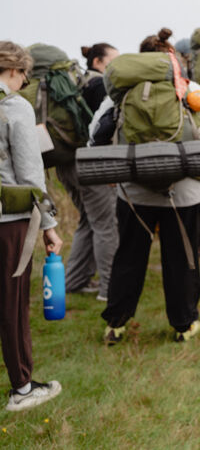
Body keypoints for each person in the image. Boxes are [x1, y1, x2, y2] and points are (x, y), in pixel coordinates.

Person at [98, 29, 200, 344]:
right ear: (172, 59)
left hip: (133, 192)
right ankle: (183, 325)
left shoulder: (120, 94)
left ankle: (115, 324)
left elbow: (97, 135)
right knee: (182, 257)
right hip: (184, 193)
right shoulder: (193, 91)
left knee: (129, 255)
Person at [0, 41, 63, 410]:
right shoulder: (14, 107)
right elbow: (29, 172)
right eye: (24, 74)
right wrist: (49, 225)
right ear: (14, 70)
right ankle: (22, 388)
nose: (25, 81)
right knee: (12, 303)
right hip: (9, 221)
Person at [56, 43, 120, 302]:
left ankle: (74, 281)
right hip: (89, 165)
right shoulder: (99, 86)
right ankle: (109, 289)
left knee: (88, 222)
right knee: (107, 226)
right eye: (112, 61)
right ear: (97, 62)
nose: (116, 66)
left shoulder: (78, 85)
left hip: (66, 163)